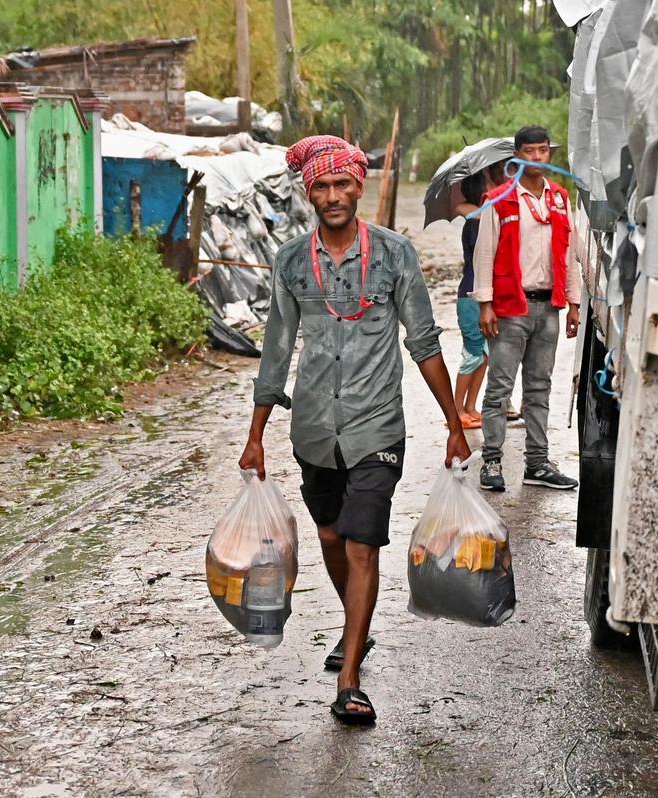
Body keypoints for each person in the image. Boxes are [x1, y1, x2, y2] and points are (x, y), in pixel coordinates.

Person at [240, 135, 470, 725]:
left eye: (344, 184)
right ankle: (355, 628)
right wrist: (256, 433)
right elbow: (277, 348)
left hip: (377, 427)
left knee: (364, 541)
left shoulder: (394, 255)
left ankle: (349, 678)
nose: (334, 195)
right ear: (309, 192)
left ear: (358, 187)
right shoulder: (291, 261)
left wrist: (453, 422)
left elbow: (422, 342)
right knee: (331, 539)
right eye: (322, 186)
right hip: (315, 427)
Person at [473, 126, 581, 491]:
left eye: (543, 151)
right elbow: (484, 253)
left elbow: (570, 253)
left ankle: (537, 464)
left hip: (548, 307)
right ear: (517, 156)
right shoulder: (500, 198)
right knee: (499, 389)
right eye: (529, 151)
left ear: (549, 154)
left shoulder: (561, 198)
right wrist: (485, 304)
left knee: (540, 387)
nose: (537, 158)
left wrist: (574, 303)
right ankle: (491, 462)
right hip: (509, 308)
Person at [452, 163, 505, 429]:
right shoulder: (478, 220)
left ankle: (470, 407)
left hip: (482, 296)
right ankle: (455, 411)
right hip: (470, 297)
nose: (497, 187)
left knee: (484, 356)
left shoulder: (483, 218)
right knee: (474, 356)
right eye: (491, 184)